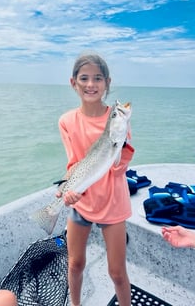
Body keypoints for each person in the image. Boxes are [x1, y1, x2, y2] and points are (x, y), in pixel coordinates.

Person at [57, 53, 135, 306]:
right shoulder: (66, 121)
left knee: (117, 272)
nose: (91, 84)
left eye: (98, 78)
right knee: (75, 263)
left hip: (112, 203)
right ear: (73, 83)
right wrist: (67, 190)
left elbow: (117, 167)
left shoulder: (118, 121)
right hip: (81, 203)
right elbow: (73, 164)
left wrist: (121, 145)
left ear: (107, 83)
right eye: (84, 78)